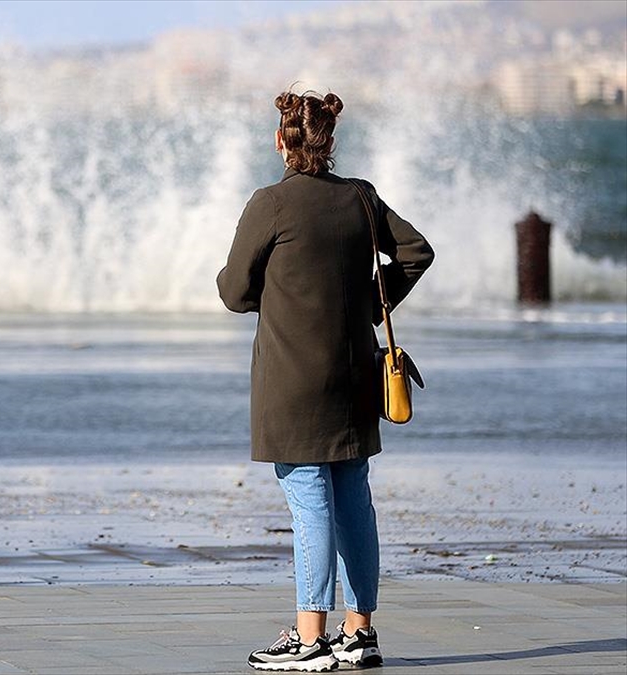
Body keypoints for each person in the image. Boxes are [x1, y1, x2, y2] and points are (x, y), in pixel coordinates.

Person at [217, 90, 434, 672]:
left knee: (309, 500)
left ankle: (310, 636)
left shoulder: (270, 204)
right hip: (353, 372)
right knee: (352, 500)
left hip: (293, 379)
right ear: (329, 143)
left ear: (283, 141)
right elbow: (416, 251)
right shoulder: (360, 198)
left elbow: (234, 292)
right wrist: (366, 301)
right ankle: (359, 631)